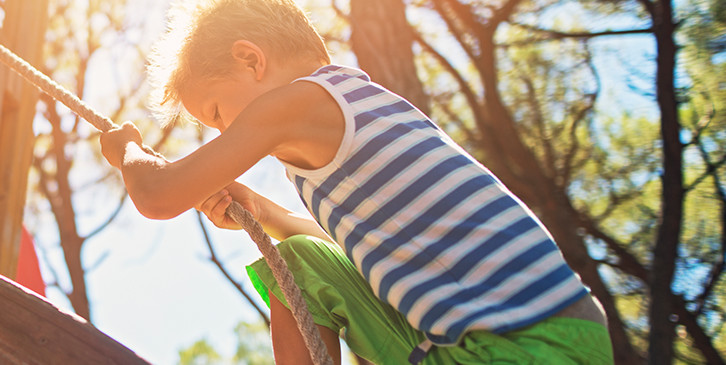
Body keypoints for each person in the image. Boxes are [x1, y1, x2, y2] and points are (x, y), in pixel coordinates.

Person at [97, 0, 612, 363]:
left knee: (294, 265)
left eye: (217, 114)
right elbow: (360, 262)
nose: (227, 134)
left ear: (251, 60)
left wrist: (129, 153)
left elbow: (159, 195)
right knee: (300, 261)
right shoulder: (359, 110)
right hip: (564, 331)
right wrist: (268, 213)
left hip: (510, 345)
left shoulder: (295, 103)